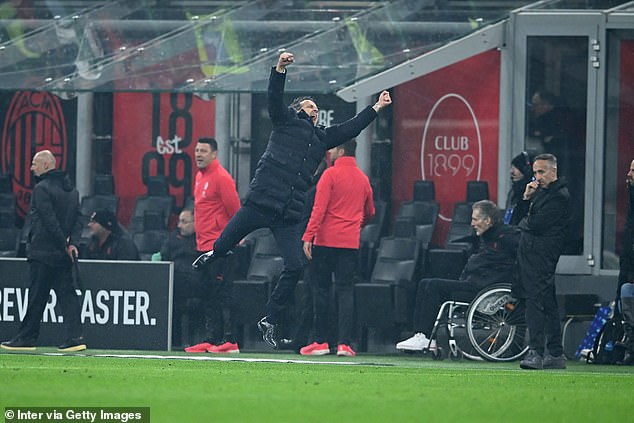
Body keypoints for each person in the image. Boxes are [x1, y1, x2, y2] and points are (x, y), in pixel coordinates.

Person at [192, 51, 392, 348]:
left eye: (317, 108)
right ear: (298, 110)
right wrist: (279, 69)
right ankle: (212, 254)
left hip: (286, 215)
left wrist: (376, 106)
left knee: (295, 266)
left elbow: (352, 127)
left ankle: (270, 318)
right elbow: (274, 98)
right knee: (223, 245)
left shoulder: (323, 137)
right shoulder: (285, 121)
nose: (315, 110)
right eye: (310, 106)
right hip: (261, 203)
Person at [396, 200, 520, 352]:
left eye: (475, 219)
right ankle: (422, 336)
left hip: (483, 290)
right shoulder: (488, 238)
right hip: (475, 284)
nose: (472, 224)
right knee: (425, 283)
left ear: (487, 220)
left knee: (433, 285)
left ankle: (424, 336)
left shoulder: (506, 236)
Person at [1, 150, 85, 352]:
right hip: (61, 254)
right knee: (67, 295)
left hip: (43, 252)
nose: (31, 168)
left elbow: (48, 221)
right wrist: (71, 243)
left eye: (34, 164)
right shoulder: (72, 191)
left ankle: (27, 338)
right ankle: (75, 337)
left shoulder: (42, 189)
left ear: (46, 165)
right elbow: (78, 220)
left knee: (37, 296)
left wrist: (64, 244)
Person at [300, 140, 375, 357]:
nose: (329, 152)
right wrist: (356, 225)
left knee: (321, 290)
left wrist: (308, 236)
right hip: (349, 243)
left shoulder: (330, 175)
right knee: (345, 291)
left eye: (332, 148)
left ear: (341, 151)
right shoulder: (363, 179)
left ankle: (321, 341)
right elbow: (370, 211)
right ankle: (344, 344)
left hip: (325, 241)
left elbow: (319, 209)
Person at [515, 153, 570, 370]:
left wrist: (525, 222)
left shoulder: (559, 196)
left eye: (541, 172)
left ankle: (536, 351)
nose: (537, 177)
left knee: (535, 302)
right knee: (546, 302)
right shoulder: (541, 193)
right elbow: (518, 218)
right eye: (535, 172)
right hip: (532, 254)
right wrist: (526, 198)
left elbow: (535, 224)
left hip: (542, 256)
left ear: (553, 171)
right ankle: (555, 352)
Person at [187, 137, 241, 354]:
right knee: (207, 293)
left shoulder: (222, 178)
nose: (198, 154)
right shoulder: (200, 177)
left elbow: (236, 211)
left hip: (220, 247)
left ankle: (230, 340)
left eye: (203, 151)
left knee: (222, 293)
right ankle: (212, 339)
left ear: (214, 154)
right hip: (203, 245)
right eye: (197, 150)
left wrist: (233, 238)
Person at [154, 208, 202, 348]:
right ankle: (172, 342)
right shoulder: (172, 238)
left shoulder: (201, 240)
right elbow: (163, 257)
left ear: (195, 222)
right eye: (179, 221)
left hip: (195, 283)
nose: (179, 225)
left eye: (184, 222)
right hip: (174, 284)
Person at [617, 159, 634, 365]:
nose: (628, 174)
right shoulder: (631, 197)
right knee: (626, 291)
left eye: (633, 171)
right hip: (629, 261)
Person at [503, 151, 533, 225]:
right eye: (511, 167)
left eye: (515, 168)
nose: (512, 171)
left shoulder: (532, 192)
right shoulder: (512, 192)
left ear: (525, 170)